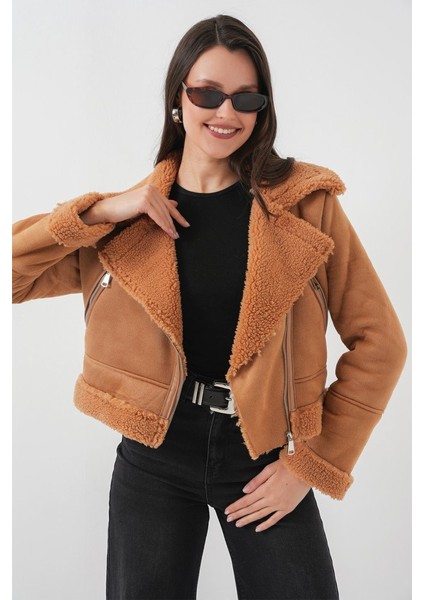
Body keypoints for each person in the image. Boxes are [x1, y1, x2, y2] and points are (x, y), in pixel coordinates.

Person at [12, 13, 407, 600]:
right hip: (153, 455)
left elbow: (381, 342)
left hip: (262, 452)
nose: (226, 112)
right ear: (179, 98)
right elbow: (14, 275)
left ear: (262, 108)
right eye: (207, 94)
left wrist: (311, 464)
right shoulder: (126, 224)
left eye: (246, 98)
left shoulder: (306, 206)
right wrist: (98, 211)